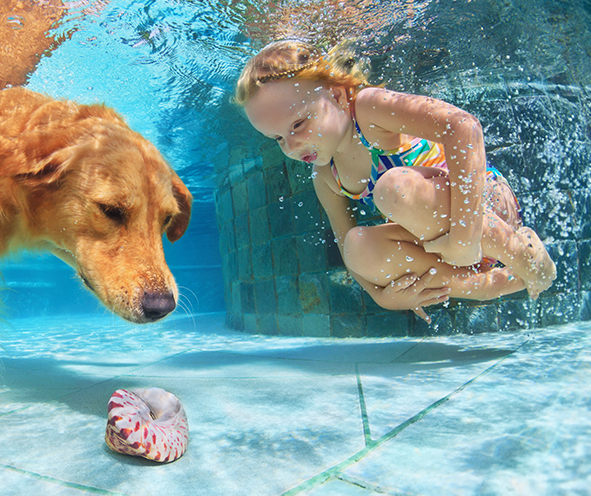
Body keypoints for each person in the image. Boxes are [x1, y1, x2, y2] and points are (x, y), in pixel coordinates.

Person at [234, 40, 556, 322]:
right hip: (452, 248)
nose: (291, 146)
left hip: (485, 206)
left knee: (394, 189)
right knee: (357, 246)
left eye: (299, 124)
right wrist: (382, 297)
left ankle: (525, 255)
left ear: (335, 94)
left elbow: (464, 127)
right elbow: (351, 257)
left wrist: (463, 235)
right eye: (277, 138)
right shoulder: (326, 177)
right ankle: (487, 287)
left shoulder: (369, 108)